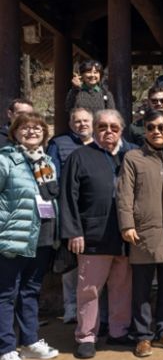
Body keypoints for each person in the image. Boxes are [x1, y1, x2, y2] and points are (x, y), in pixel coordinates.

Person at [60, 110, 137, 359]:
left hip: (125, 235)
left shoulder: (131, 155)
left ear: (122, 130)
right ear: (94, 129)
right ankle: (86, 336)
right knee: (89, 289)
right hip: (92, 235)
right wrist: (73, 232)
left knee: (122, 287)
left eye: (114, 127)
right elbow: (68, 197)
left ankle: (118, 331)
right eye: (102, 127)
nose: (108, 131)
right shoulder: (79, 156)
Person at [117, 110, 163, 358]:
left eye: (161, 127)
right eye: (150, 127)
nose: (156, 132)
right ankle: (143, 336)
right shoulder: (133, 158)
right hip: (143, 232)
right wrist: (127, 224)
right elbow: (124, 194)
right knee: (141, 289)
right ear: (144, 130)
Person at [0, 113, 59, 360]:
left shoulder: (46, 162)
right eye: (25, 127)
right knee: (6, 293)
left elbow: (51, 197)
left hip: (42, 234)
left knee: (30, 290)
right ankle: (5, 349)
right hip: (13, 235)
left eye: (37, 128)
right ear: (14, 132)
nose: (32, 131)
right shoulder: (6, 160)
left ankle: (30, 340)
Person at [47, 107, 94, 326]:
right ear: (70, 123)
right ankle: (71, 308)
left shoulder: (100, 143)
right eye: (77, 121)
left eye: (86, 121)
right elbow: (52, 176)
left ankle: (92, 311)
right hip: (69, 209)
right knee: (70, 263)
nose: (82, 124)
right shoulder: (59, 144)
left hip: (93, 212)